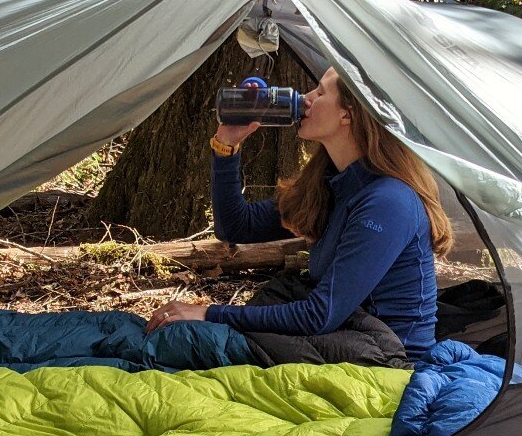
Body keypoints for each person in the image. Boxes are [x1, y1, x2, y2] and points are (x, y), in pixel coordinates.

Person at [144, 67, 454, 360]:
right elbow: (237, 227)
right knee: (176, 344)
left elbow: (320, 314)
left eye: (320, 92)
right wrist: (227, 144)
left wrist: (208, 312)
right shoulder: (332, 184)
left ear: (349, 114)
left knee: (190, 345)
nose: (306, 98)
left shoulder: (387, 201)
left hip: (387, 360)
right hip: (340, 342)